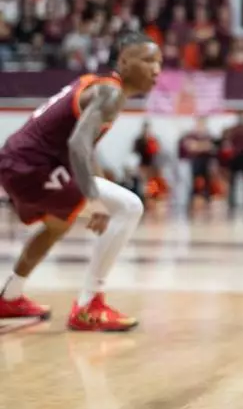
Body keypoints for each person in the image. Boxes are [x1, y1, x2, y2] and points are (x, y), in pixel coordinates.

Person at [0, 31, 162, 331]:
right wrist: (96, 200)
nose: (156, 70)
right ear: (124, 61)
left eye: (159, 63)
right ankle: (89, 307)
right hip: (32, 167)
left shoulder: (100, 86)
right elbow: (78, 146)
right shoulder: (111, 93)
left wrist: (95, 186)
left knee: (56, 226)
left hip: (18, 163)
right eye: (148, 60)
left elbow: (87, 147)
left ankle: (9, 297)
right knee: (129, 207)